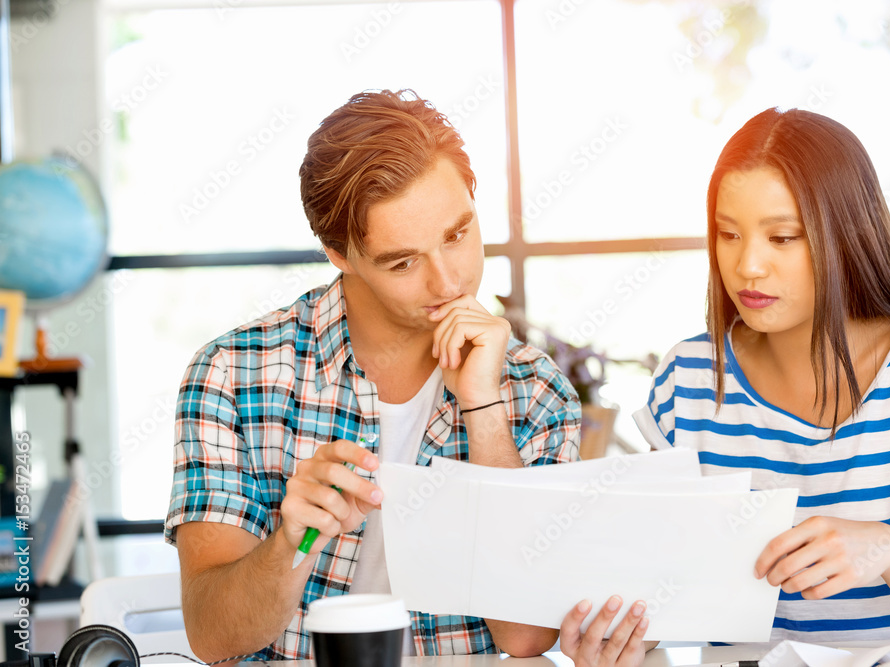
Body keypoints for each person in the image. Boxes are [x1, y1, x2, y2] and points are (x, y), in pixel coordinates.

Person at [165, 89, 583, 661]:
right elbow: (214, 639)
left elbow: (526, 637)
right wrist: (291, 541)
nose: (448, 284)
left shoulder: (535, 389)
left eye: (458, 235)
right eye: (403, 262)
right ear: (339, 253)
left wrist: (484, 407)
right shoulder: (231, 375)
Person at [633, 107, 890, 643]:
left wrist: (889, 548)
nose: (748, 266)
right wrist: (620, 634)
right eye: (728, 234)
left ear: (847, 236)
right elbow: (656, 589)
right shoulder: (686, 378)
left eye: (782, 238)